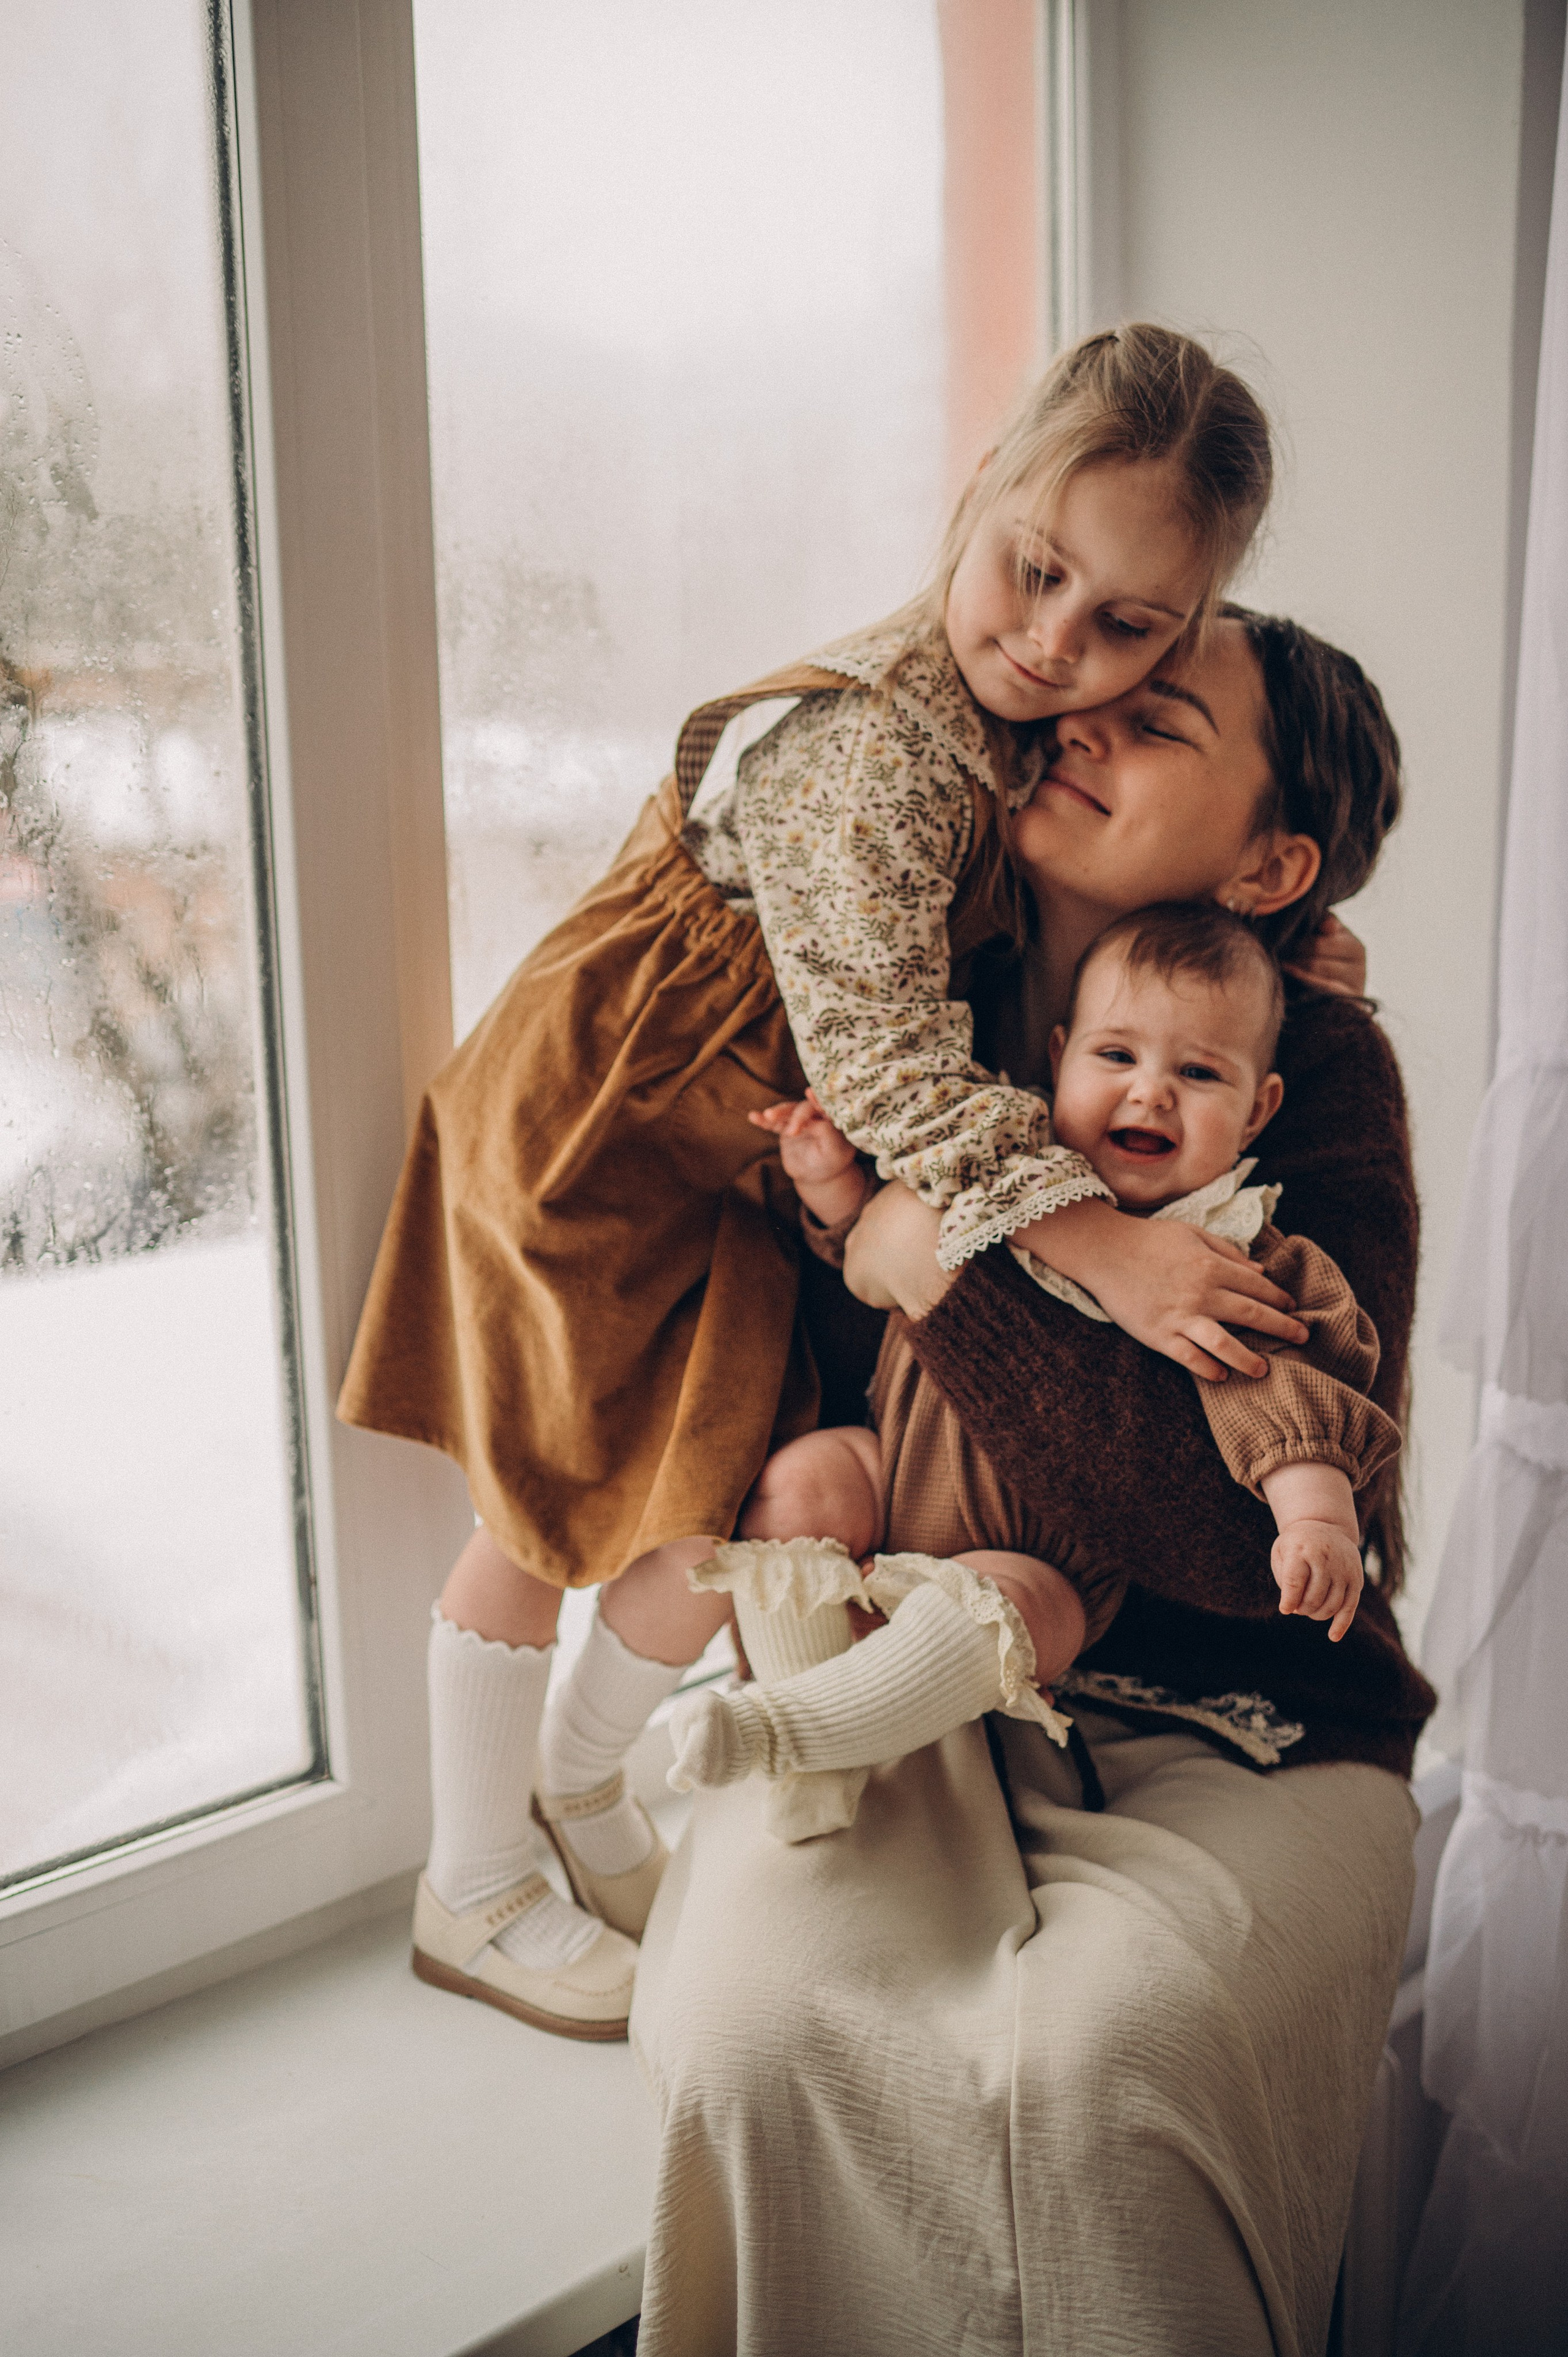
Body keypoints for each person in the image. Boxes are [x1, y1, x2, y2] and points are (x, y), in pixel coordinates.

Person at [339, 326, 1305, 2039]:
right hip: (598, 1127)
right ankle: (469, 1879)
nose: (1056, 642)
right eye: (1036, 571)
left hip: (727, 1147)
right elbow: (890, 1061)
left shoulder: (1015, 732)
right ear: (981, 492)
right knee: (546, 1504)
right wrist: (1116, 1258)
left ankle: (584, 1788)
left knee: (704, 1493)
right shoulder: (872, 758)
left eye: (1130, 629)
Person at [628, 607, 1436, 2357]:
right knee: (759, 2020)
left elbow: (1232, 1534)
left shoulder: (1314, 1082)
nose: (1078, 719)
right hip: (902, 1650)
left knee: (1109, 2060)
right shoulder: (910, 989)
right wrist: (864, 1217)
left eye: (1155, 720)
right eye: (1084, 694)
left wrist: (938, 1259)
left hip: (1246, 1697)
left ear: (1271, 860)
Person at [661, 899, 1397, 1824]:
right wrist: (832, 1185)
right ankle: (813, 1742)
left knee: (1007, 1615)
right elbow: (874, 1251)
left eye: (1200, 1072)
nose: (1150, 1091)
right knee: (797, 1486)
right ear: (1058, 1060)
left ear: (1259, 1110)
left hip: (1038, 1553)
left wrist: (1316, 1518)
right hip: (894, 1475)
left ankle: (792, 1734)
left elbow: (1282, 1391)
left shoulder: (1231, 1249)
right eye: (1117, 1056)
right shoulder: (1007, 1169)